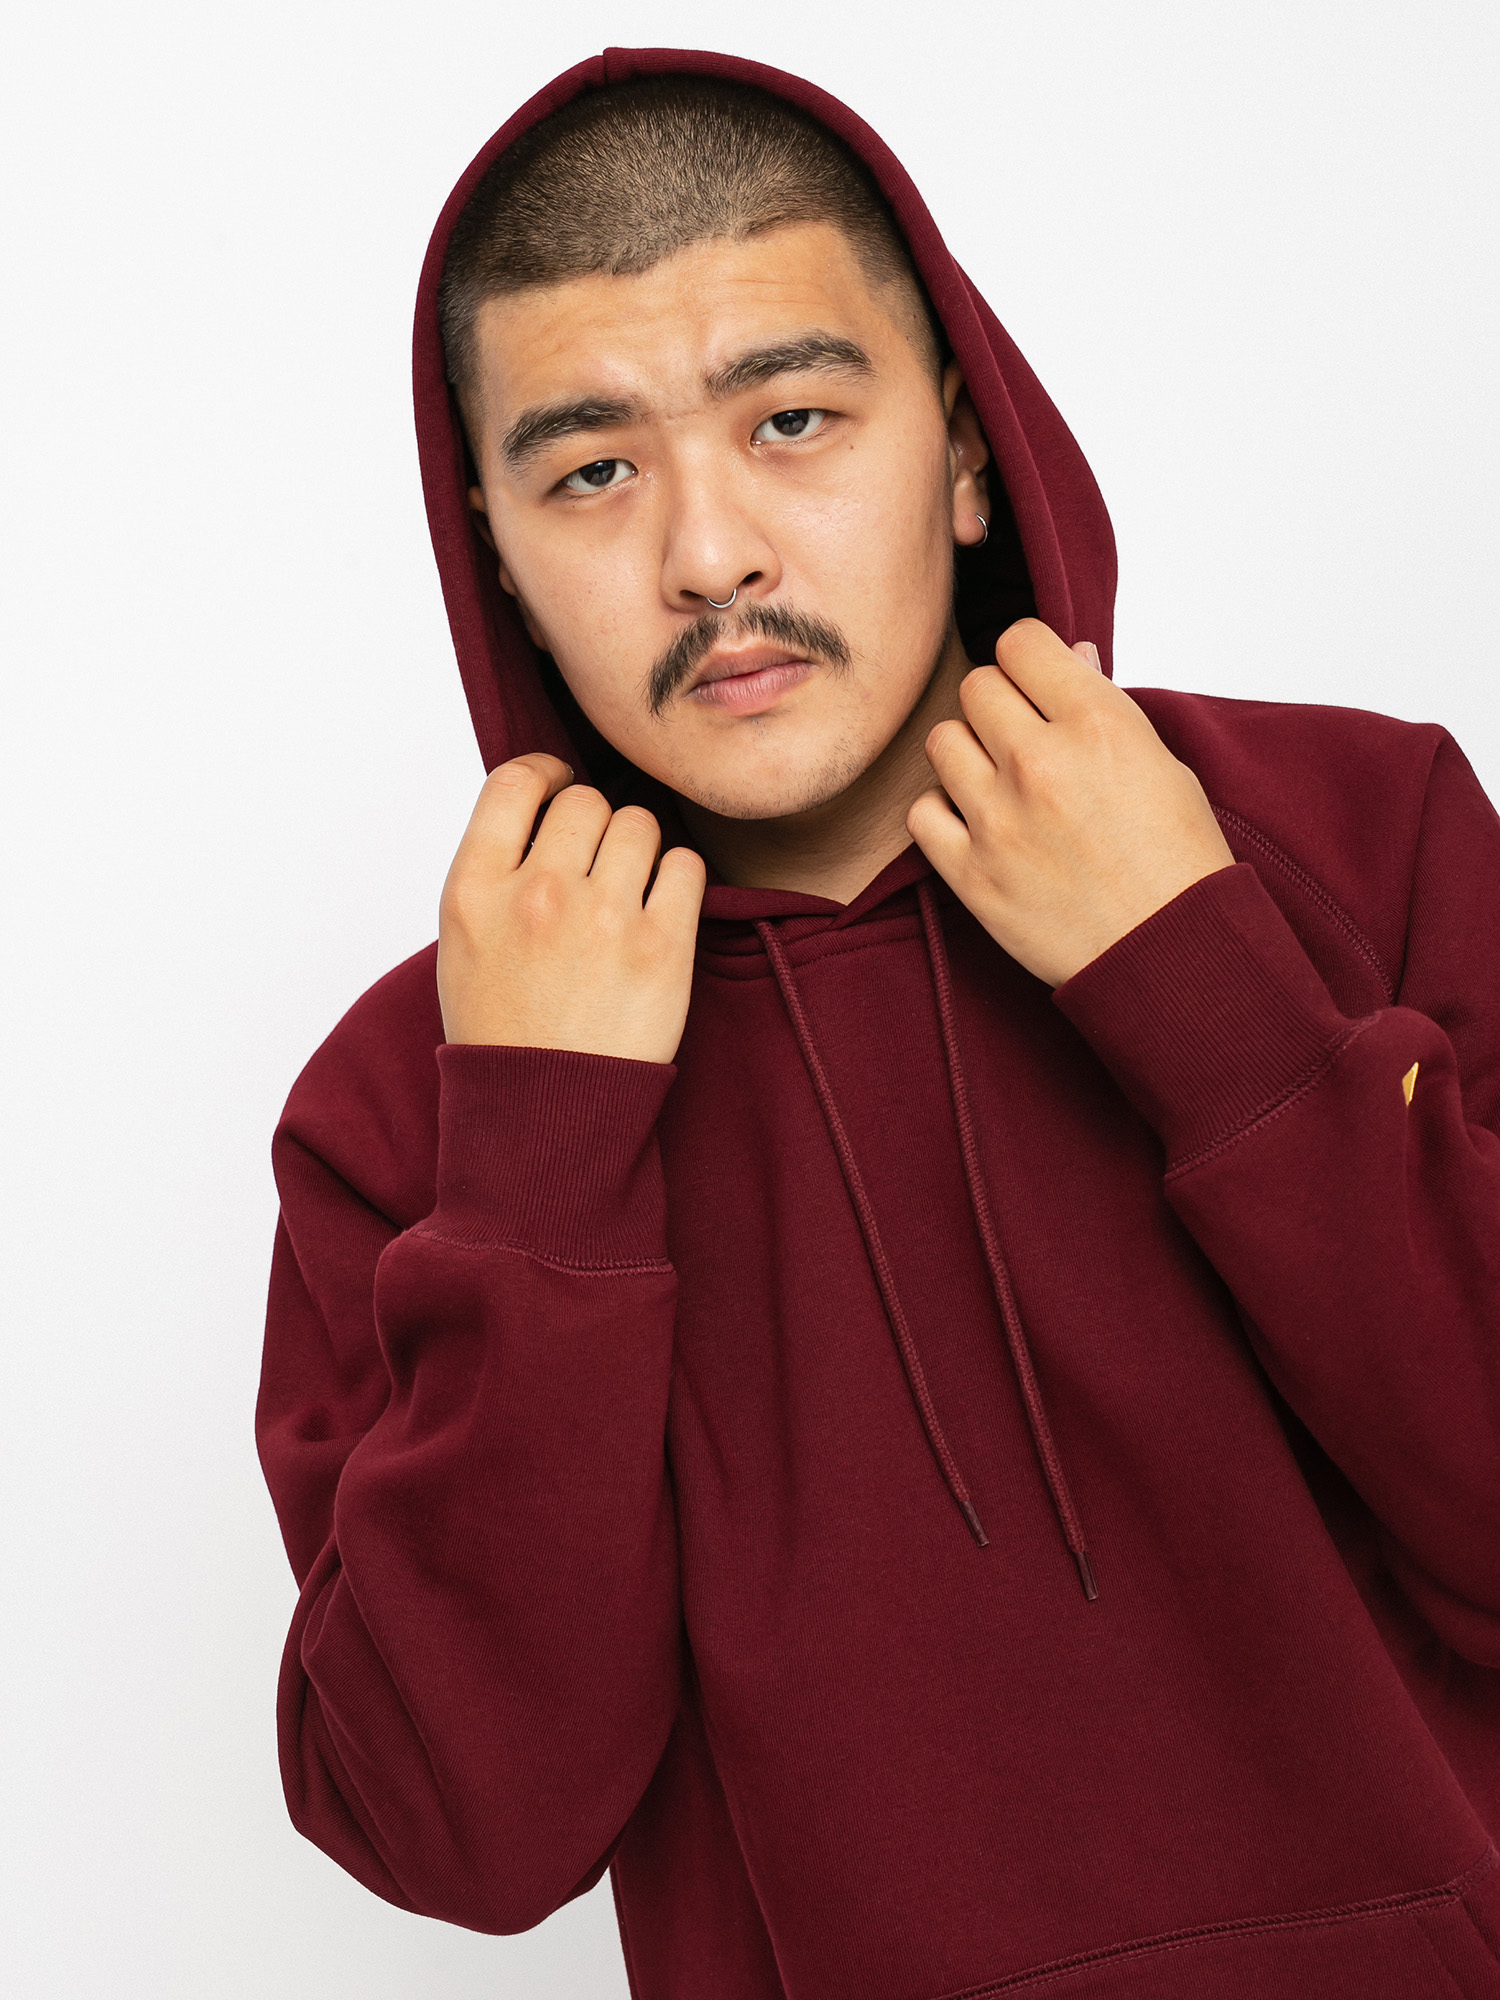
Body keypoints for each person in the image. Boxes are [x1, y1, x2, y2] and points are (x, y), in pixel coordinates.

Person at [256, 47, 1500, 2000]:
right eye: (593, 471)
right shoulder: (426, 1098)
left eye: (794, 420)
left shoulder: (1353, 837)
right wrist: (541, 1163)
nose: (710, 554)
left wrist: (1206, 988)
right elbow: (461, 1834)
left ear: (966, 447)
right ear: (495, 547)